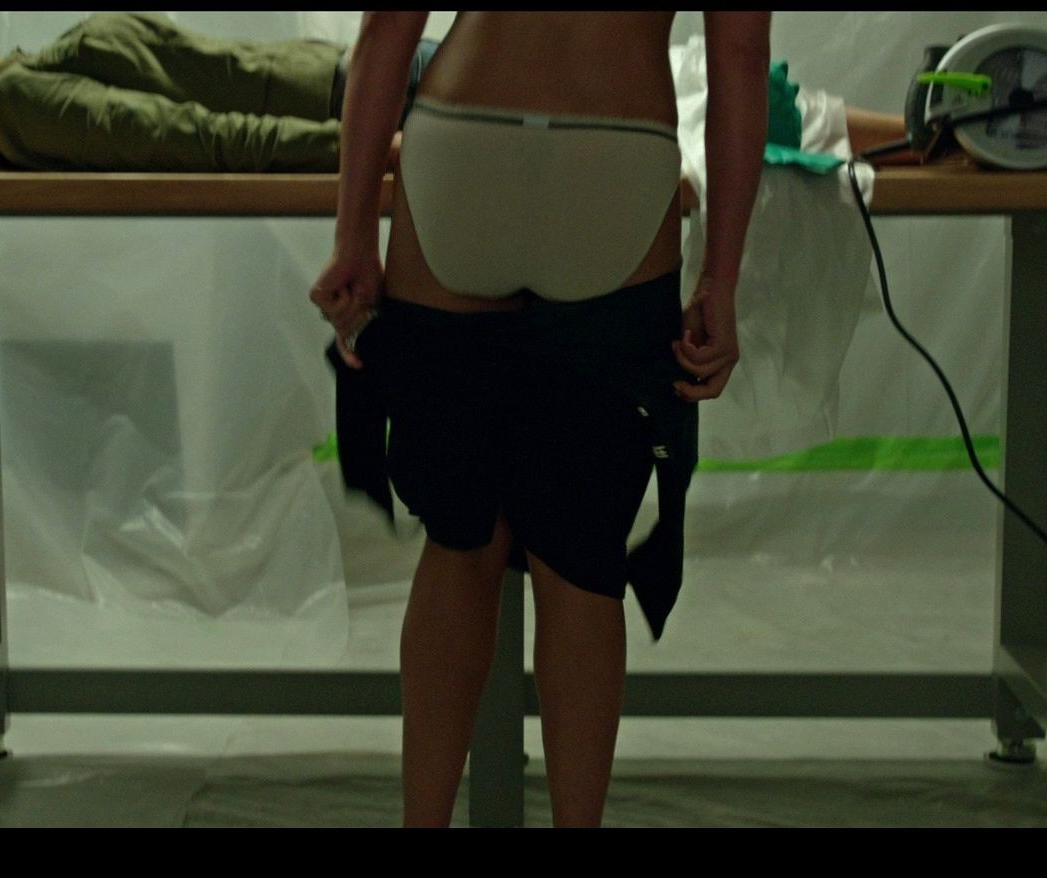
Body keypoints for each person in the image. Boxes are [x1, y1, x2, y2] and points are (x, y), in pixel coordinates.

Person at [310, 12, 769, 827]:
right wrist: (720, 279)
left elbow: (386, 29)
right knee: (581, 559)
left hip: (464, 139)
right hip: (615, 151)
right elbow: (738, 54)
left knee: (458, 541)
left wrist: (352, 237)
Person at [0, 11, 438, 327]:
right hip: (391, 94)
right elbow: (200, 138)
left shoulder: (27, 95)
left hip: (382, 87)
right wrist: (373, 149)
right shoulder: (18, 103)